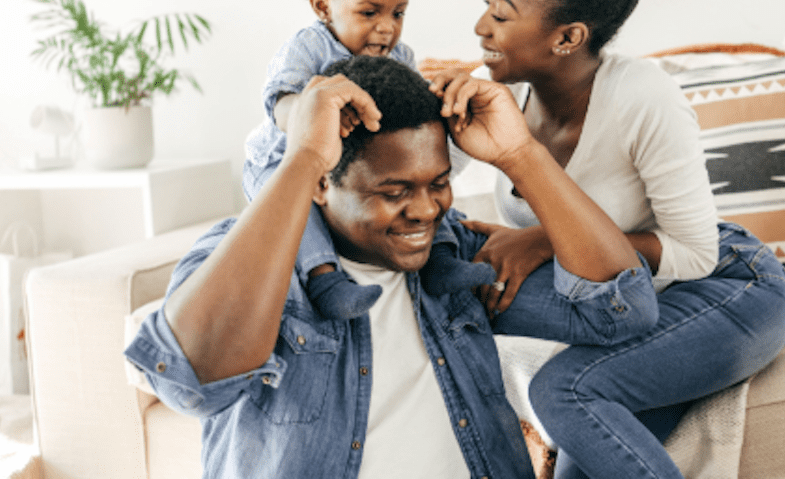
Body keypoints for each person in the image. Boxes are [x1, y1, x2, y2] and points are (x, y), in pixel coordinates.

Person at [125, 55, 661, 479]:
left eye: (439, 183)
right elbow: (191, 383)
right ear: (321, 184)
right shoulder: (255, 261)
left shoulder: (454, 256)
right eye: (395, 191)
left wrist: (521, 153)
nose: (426, 209)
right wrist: (302, 157)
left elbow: (623, 310)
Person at [431, 0, 785, 479]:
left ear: (568, 36)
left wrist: (544, 240)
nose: (480, 29)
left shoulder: (643, 97)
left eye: (500, 15)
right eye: (485, 8)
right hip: (625, 304)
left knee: (563, 392)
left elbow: (696, 252)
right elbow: (413, 179)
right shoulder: (492, 92)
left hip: (725, 289)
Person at [241, 0, 479, 322]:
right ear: (322, 4)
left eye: (398, 13)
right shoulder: (311, 45)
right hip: (282, 161)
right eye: (369, 12)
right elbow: (281, 102)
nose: (386, 28)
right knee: (299, 216)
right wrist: (311, 118)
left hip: (348, 169)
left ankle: (441, 261)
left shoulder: (399, 54)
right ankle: (325, 279)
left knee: (423, 189)